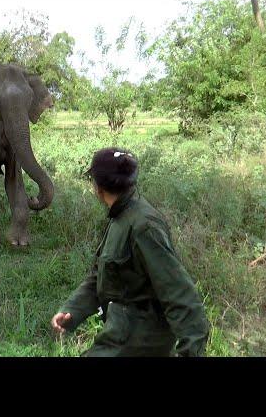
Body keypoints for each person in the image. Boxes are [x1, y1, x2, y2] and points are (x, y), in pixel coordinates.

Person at [51, 147, 210, 357]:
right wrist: (73, 310)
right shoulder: (121, 217)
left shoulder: (143, 227)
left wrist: (190, 351)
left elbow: (179, 294)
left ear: (97, 187)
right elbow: (102, 274)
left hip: (139, 340)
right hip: (121, 334)